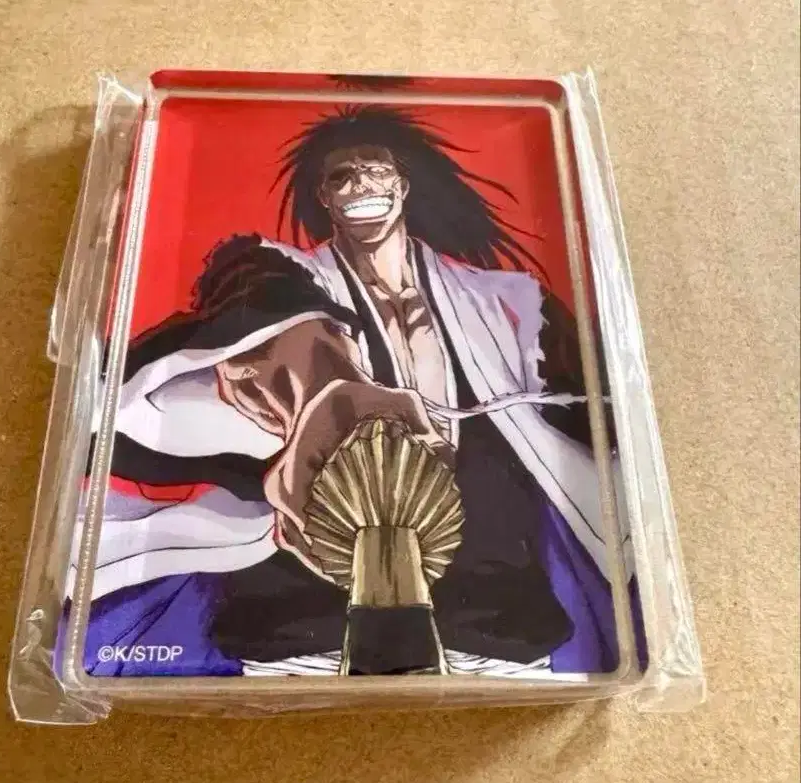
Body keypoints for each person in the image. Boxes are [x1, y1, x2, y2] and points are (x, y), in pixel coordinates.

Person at [66, 106, 635, 678]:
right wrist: (330, 391)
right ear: (325, 198)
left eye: (375, 170)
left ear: (402, 186)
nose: (361, 184)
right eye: (342, 176)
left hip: (496, 630)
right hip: (303, 628)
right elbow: (265, 311)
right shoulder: (274, 268)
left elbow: (595, 414)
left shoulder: (509, 300)